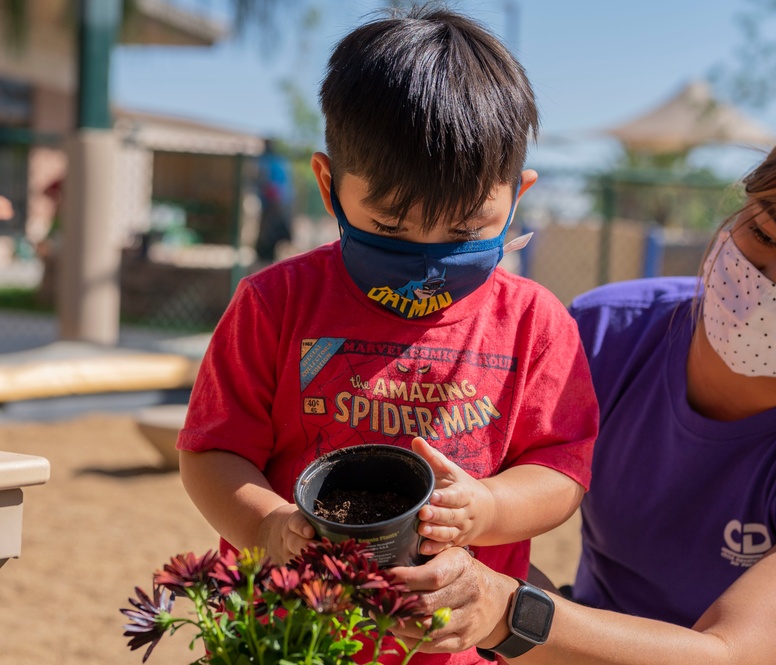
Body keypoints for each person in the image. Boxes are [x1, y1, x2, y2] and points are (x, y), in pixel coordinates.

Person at [390, 93, 776, 664]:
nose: (771, 285)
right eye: (765, 235)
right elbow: (458, 504)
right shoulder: (598, 337)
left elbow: (730, 655)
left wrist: (506, 613)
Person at [176, 7, 598, 665]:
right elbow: (211, 453)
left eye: (464, 231)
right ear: (329, 186)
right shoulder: (275, 304)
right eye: (393, 225)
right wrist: (267, 525)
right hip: (289, 640)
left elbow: (560, 470)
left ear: (516, 196)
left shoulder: (536, 325)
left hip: (448, 647)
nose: (428, 255)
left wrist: (486, 506)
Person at [254, 138, 295, 262]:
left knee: (271, 232)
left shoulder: (271, 161)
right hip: (273, 202)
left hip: (274, 202)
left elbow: (271, 184)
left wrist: (274, 201)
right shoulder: (276, 161)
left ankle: (266, 258)